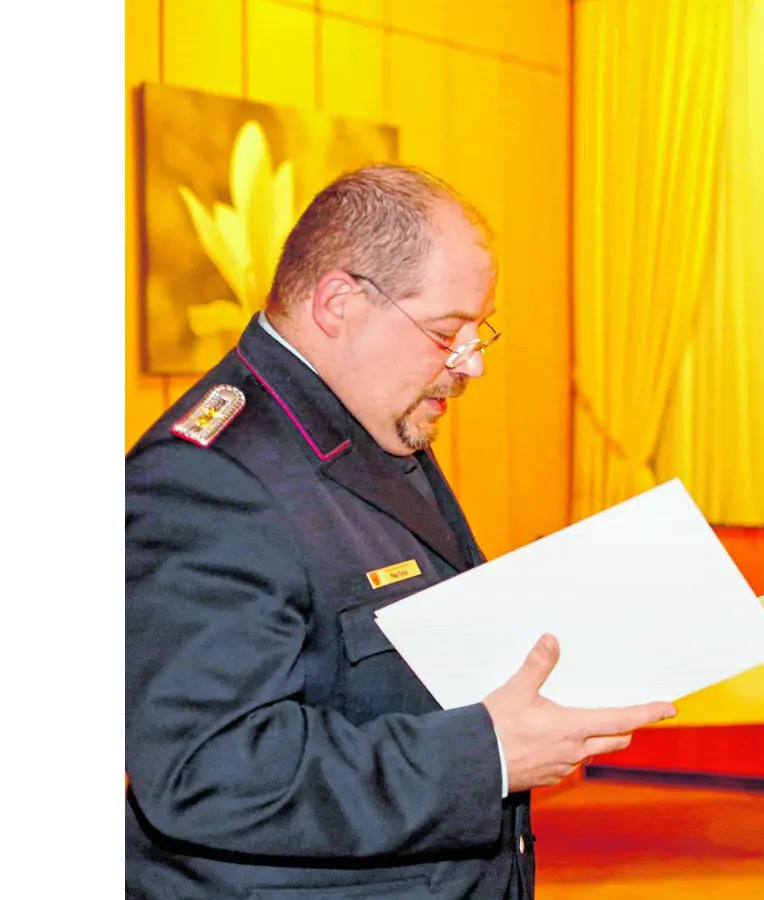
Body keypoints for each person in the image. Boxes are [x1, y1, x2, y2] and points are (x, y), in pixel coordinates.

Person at [125, 163, 676, 899]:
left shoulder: (369, 422)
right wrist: (490, 754)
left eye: (478, 333)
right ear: (338, 302)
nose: (470, 363)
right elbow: (210, 770)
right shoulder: (208, 480)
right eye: (447, 332)